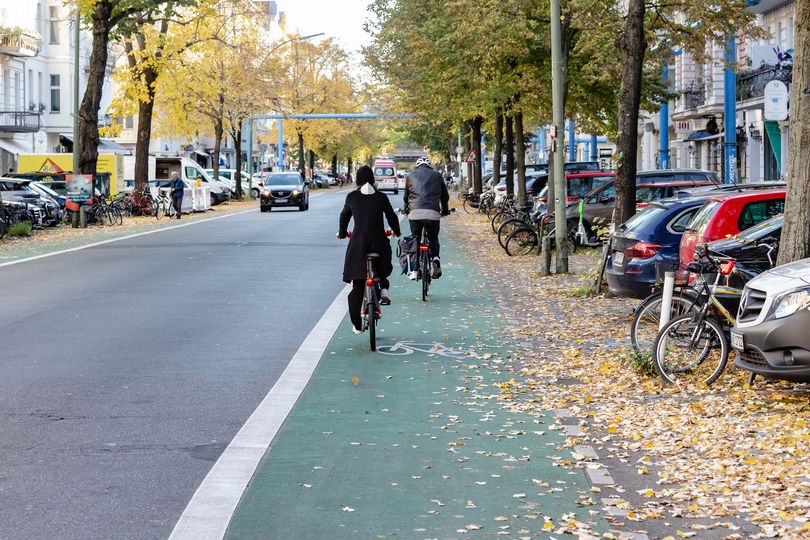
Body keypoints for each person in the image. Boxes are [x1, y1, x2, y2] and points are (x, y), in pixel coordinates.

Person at [338, 165, 401, 334]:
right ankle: (384, 291)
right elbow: (391, 216)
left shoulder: (352, 197)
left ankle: (357, 324)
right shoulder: (380, 197)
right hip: (379, 243)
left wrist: (343, 233)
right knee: (382, 270)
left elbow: (344, 216)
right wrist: (397, 231)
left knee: (358, 284)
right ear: (373, 179)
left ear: (357, 180)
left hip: (358, 245)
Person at [403, 157, 449, 280]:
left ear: (417, 166)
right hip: (433, 213)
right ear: (430, 166)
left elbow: (406, 196)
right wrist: (445, 210)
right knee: (433, 238)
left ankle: (414, 269)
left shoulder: (410, 175)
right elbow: (444, 196)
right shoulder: (437, 175)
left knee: (415, 240)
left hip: (415, 213)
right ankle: (435, 258)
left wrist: (406, 209)